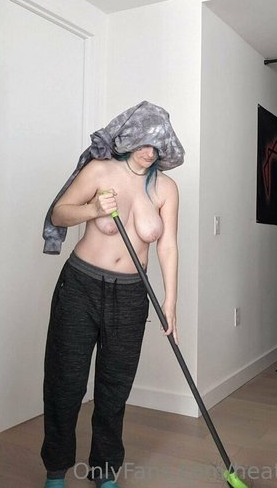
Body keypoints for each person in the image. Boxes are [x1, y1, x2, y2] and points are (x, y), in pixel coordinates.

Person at [41, 101, 184, 488]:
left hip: (132, 294)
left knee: (114, 387)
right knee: (66, 382)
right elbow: (58, 213)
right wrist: (92, 208)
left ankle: (104, 470)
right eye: (144, 142)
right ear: (129, 137)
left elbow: (168, 245)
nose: (149, 152)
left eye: (157, 146)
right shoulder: (100, 170)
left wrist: (170, 300)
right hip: (81, 286)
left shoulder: (166, 188)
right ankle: (56, 470)